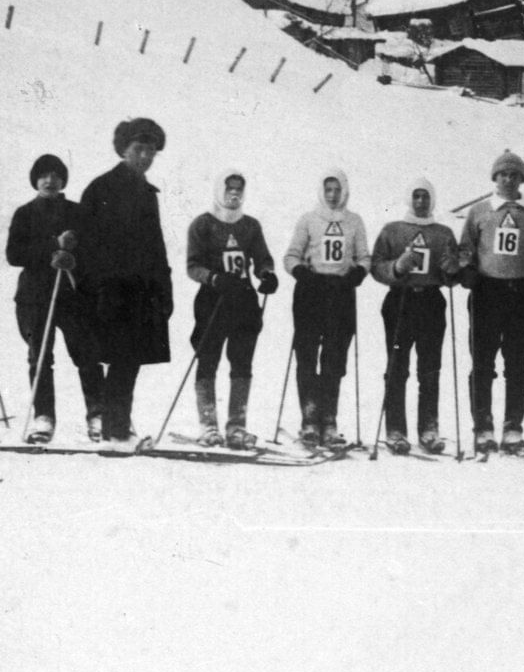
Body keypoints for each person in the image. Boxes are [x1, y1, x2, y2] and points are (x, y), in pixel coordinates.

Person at [77, 117, 175, 445]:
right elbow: (86, 242)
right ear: (124, 150)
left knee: (129, 360)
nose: (145, 156)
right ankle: (114, 429)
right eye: (138, 149)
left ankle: (116, 427)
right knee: (119, 358)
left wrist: (165, 289)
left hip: (141, 293)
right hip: (109, 291)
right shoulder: (101, 188)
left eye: (150, 151)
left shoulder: (148, 194)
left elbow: (156, 246)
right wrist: (97, 287)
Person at [457, 150, 524, 456]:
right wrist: (467, 270)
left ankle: (513, 427)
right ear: (495, 178)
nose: (509, 180)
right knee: (483, 362)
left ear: (523, 180)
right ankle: (483, 427)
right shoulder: (480, 211)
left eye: (515, 175)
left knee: (517, 362)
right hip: (487, 292)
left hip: (520, 293)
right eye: (503, 175)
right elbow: (466, 248)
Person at [7, 153, 101, 443]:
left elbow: (95, 249)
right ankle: (43, 417)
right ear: (35, 180)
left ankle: (98, 415)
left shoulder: (78, 211)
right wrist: (51, 250)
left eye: (56, 175)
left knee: (87, 355)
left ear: (63, 180)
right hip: (35, 297)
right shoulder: (24, 213)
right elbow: (14, 254)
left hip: (72, 295)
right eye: (44, 175)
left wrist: (74, 258)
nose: (50, 180)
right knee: (39, 357)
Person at [183, 169, 278, 448]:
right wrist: (212, 278)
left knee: (242, 361)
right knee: (208, 359)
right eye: (229, 189)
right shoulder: (203, 224)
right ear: (218, 191)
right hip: (213, 300)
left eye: (239, 189)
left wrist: (267, 274)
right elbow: (192, 265)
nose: (234, 194)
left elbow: (262, 258)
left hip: (243, 300)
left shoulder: (250, 226)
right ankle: (208, 425)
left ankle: (237, 426)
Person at [283, 167, 372, 449]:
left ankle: (329, 419)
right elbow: (291, 255)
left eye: (337, 190)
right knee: (307, 354)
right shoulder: (309, 219)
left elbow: (364, 257)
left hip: (341, 293)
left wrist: (357, 273)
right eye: (328, 190)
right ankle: (309, 419)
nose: (333, 196)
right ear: (322, 191)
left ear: (344, 191)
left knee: (335, 356)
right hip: (311, 292)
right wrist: (303, 274)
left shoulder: (354, 221)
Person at [369, 178, 459, 455]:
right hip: (400, 300)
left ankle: (429, 428)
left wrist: (451, 270)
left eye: (426, 197)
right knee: (397, 367)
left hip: (430, 300)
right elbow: (376, 265)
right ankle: (395, 429)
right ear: (410, 199)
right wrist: (397, 266)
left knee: (430, 368)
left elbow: (452, 274)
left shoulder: (443, 233)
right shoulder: (393, 230)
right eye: (417, 196)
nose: (421, 202)